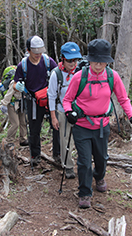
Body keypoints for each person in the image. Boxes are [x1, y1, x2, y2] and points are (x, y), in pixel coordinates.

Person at [62, 39, 132, 208]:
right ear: (89, 60)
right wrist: (69, 113)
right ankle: (84, 193)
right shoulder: (79, 77)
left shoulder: (113, 76)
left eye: (102, 62)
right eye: (95, 61)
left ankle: (99, 176)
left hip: (102, 126)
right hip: (82, 126)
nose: (99, 65)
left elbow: (123, 98)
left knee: (101, 158)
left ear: (107, 61)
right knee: (84, 161)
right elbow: (67, 100)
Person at [13, 35, 57, 166]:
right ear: (28, 50)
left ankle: (58, 154)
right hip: (32, 101)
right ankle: (35, 156)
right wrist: (18, 87)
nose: (38, 54)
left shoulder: (48, 61)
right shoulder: (23, 65)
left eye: (40, 51)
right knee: (34, 129)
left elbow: (57, 75)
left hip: (49, 99)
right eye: (35, 52)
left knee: (56, 126)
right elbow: (15, 83)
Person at [48, 42, 82, 179]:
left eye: (75, 60)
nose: (73, 63)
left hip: (80, 111)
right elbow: (51, 96)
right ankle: (68, 166)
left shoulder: (80, 73)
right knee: (65, 139)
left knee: (81, 139)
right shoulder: (56, 74)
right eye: (69, 60)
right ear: (62, 58)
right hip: (62, 111)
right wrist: (53, 117)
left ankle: (83, 164)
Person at [0, 78, 28, 146]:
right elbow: (9, 94)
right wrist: (4, 104)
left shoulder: (28, 80)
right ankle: (9, 140)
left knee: (23, 122)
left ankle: (23, 139)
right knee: (15, 123)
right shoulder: (14, 82)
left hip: (22, 103)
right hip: (12, 104)